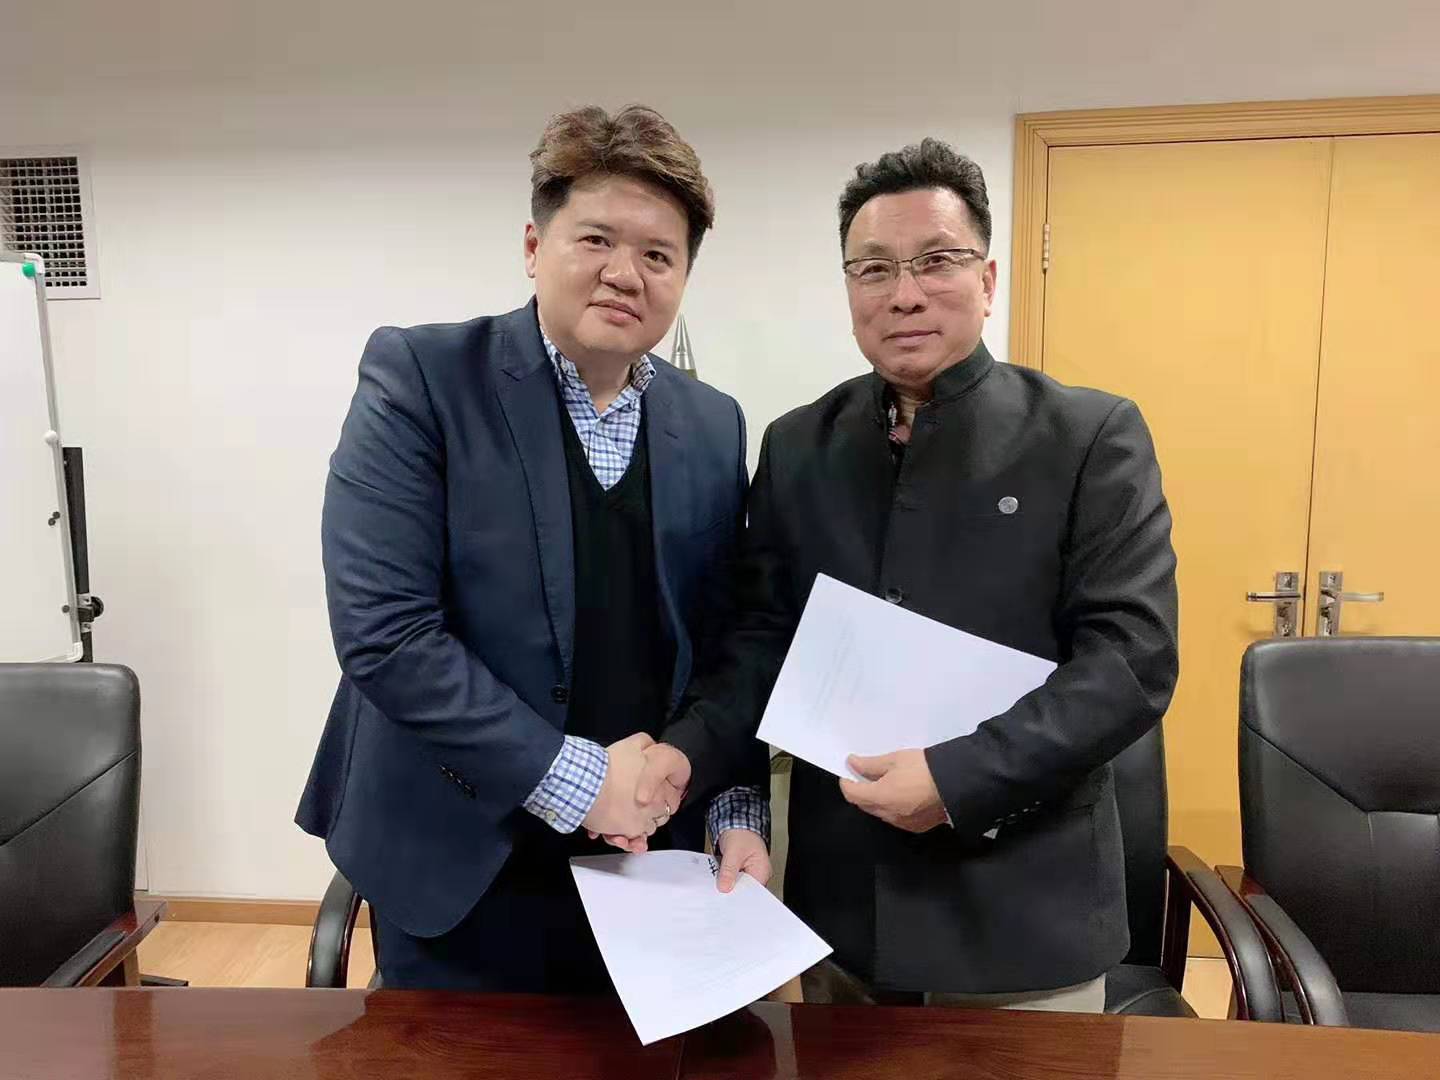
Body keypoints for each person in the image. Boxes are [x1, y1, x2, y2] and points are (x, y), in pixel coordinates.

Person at [638, 138, 1179, 1010]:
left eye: (937, 261)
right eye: (874, 269)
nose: (905, 293)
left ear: (988, 278)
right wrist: (690, 760)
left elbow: (1130, 662)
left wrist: (962, 778)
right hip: (843, 910)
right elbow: (760, 642)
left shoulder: (1088, 437)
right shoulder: (797, 445)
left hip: (1025, 913)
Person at [296, 104, 770, 992]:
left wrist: (735, 804)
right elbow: (385, 633)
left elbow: (727, 638)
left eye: (658, 255)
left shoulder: (713, 423)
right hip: (459, 855)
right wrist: (581, 781)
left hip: (649, 857)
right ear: (532, 245)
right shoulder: (423, 379)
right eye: (596, 239)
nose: (624, 273)